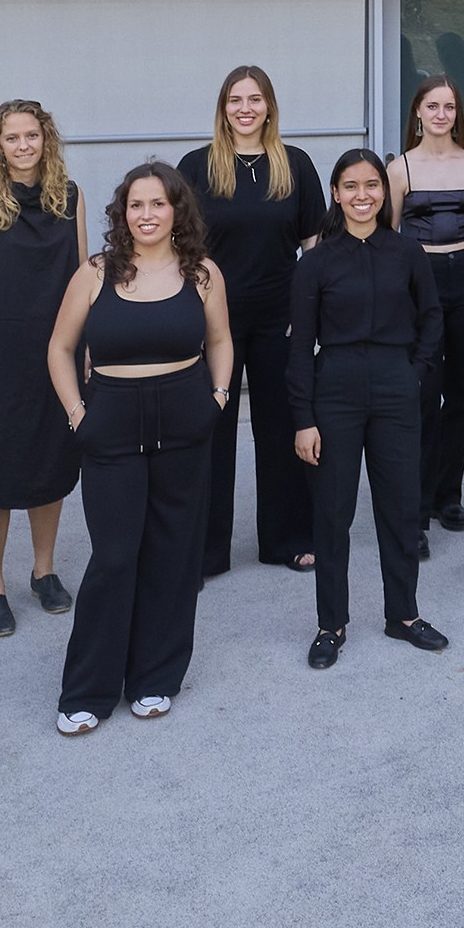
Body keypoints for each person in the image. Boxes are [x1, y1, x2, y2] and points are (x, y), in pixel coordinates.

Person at [45, 162, 234, 734]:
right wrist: (79, 414)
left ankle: (155, 676)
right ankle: (89, 688)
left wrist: (218, 399)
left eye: (158, 204)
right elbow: (59, 348)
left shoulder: (202, 274)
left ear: (177, 211)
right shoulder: (96, 273)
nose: (147, 215)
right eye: (136, 205)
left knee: (174, 553)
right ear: (122, 213)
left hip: (185, 415)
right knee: (115, 555)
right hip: (112, 421)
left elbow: (222, 339)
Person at [291, 149, 449, 668]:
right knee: (333, 512)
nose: (363, 196)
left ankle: (403, 614)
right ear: (335, 193)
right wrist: (304, 419)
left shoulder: (407, 253)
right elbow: (298, 347)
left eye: (372, 186)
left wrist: (415, 373)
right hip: (333, 387)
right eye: (351, 186)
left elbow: (432, 319)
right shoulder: (315, 262)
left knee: (401, 507)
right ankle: (329, 623)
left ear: (386, 192)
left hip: (394, 386)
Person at [0, 99, 81, 637]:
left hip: (54, 355)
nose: (23, 145)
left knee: (49, 464)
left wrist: (85, 352)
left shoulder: (69, 199)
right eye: (12, 138)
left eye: (32, 136)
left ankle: (44, 571)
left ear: (46, 140)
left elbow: (81, 281)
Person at [192, 67, 329, 576]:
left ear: (269, 105)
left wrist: (307, 314)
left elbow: (314, 246)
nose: (244, 108)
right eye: (234, 99)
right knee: (212, 431)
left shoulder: (295, 165)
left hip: (280, 318)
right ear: (223, 107)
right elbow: (181, 245)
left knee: (282, 428)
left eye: (254, 99)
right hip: (214, 321)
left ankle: (287, 538)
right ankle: (206, 551)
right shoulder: (198, 166)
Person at [392, 75, 464, 543]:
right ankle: (414, 510)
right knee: (421, 395)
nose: (441, 114)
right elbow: (388, 238)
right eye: (432, 106)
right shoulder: (400, 170)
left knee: (462, 392)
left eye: (449, 107)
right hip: (420, 285)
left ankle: (447, 495)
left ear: (459, 113)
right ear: (417, 112)